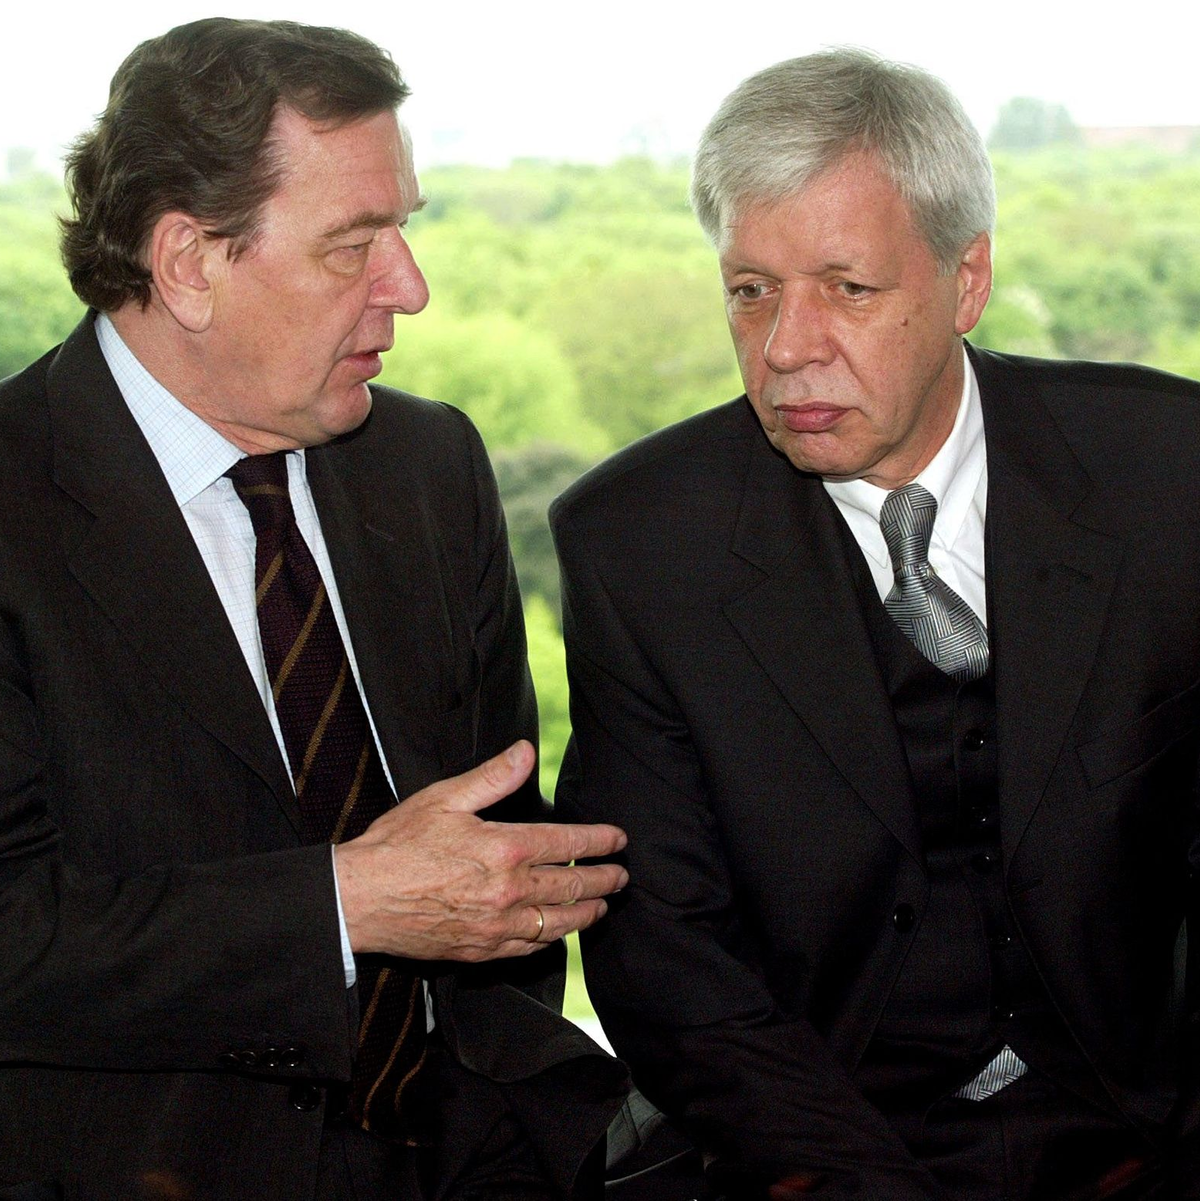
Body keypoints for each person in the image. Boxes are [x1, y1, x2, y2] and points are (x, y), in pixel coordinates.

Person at [552, 47, 1200, 1199]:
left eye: (848, 288)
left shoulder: (1168, 473)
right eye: (751, 290)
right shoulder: (638, 541)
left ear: (967, 280)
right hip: (824, 1140)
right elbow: (667, 956)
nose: (788, 345)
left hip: (1151, 1115)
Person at [0, 18, 630, 1201]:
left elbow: (501, 840)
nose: (413, 288)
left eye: (406, 229)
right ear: (189, 261)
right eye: (356, 244)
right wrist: (349, 905)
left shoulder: (431, 464)